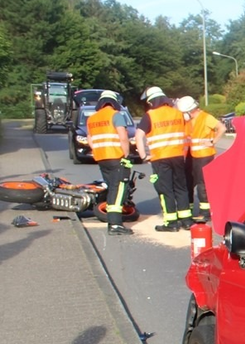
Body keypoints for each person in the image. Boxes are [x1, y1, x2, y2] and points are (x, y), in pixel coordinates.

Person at [135, 86, 193, 232]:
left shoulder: (150, 115)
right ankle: (186, 220)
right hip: (178, 156)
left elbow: (138, 136)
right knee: (181, 188)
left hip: (160, 158)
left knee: (166, 190)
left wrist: (143, 156)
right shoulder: (177, 113)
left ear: (151, 101)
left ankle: (171, 223)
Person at [86, 90, 134, 236]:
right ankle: (115, 224)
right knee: (118, 190)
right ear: (114, 102)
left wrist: (98, 150)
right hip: (116, 157)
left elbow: (90, 139)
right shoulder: (116, 115)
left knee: (111, 188)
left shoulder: (92, 119)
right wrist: (126, 155)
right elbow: (123, 137)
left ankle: (113, 222)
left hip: (101, 158)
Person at [176, 96, 226, 222]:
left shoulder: (206, 117)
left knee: (202, 184)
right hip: (194, 155)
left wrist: (212, 141)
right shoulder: (190, 121)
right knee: (192, 182)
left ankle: (206, 212)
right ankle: (190, 208)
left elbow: (222, 128)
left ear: (189, 111)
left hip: (204, 156)